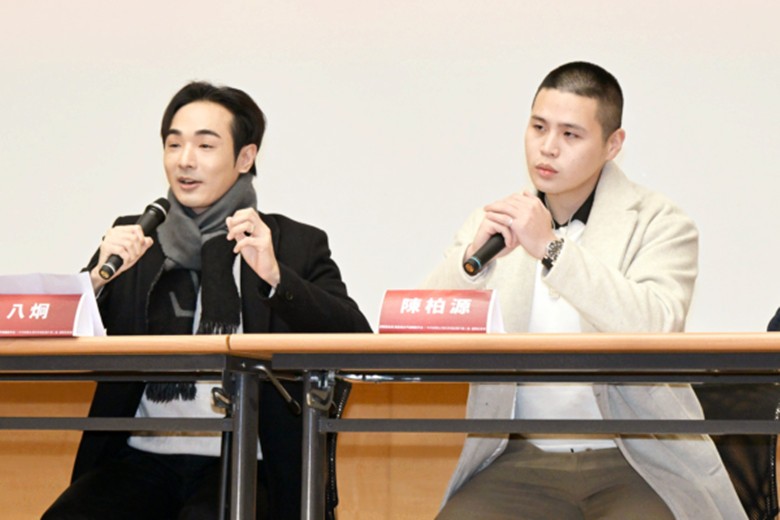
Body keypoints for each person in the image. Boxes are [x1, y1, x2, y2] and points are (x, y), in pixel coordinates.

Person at [423, 62, 747, 520]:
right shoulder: (496, 222)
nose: (548, 147)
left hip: (636, 459)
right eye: (538, 127)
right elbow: (425, 324)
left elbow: (655, 326)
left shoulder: (660, 223)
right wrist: (470, 265)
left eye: (570, 134)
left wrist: (551, 249)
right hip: (519, 459)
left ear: (612, 145)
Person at [43, 81, 372, 520]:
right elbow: (65, 335)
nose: (185, 160)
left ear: (245, 157)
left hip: (249, 459)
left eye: (205, 145)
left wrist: (276, 276)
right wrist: (96, 281)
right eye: (173, 144)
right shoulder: (135, 239)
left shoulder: (291, 243)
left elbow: (355, 338)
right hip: (140, 456)